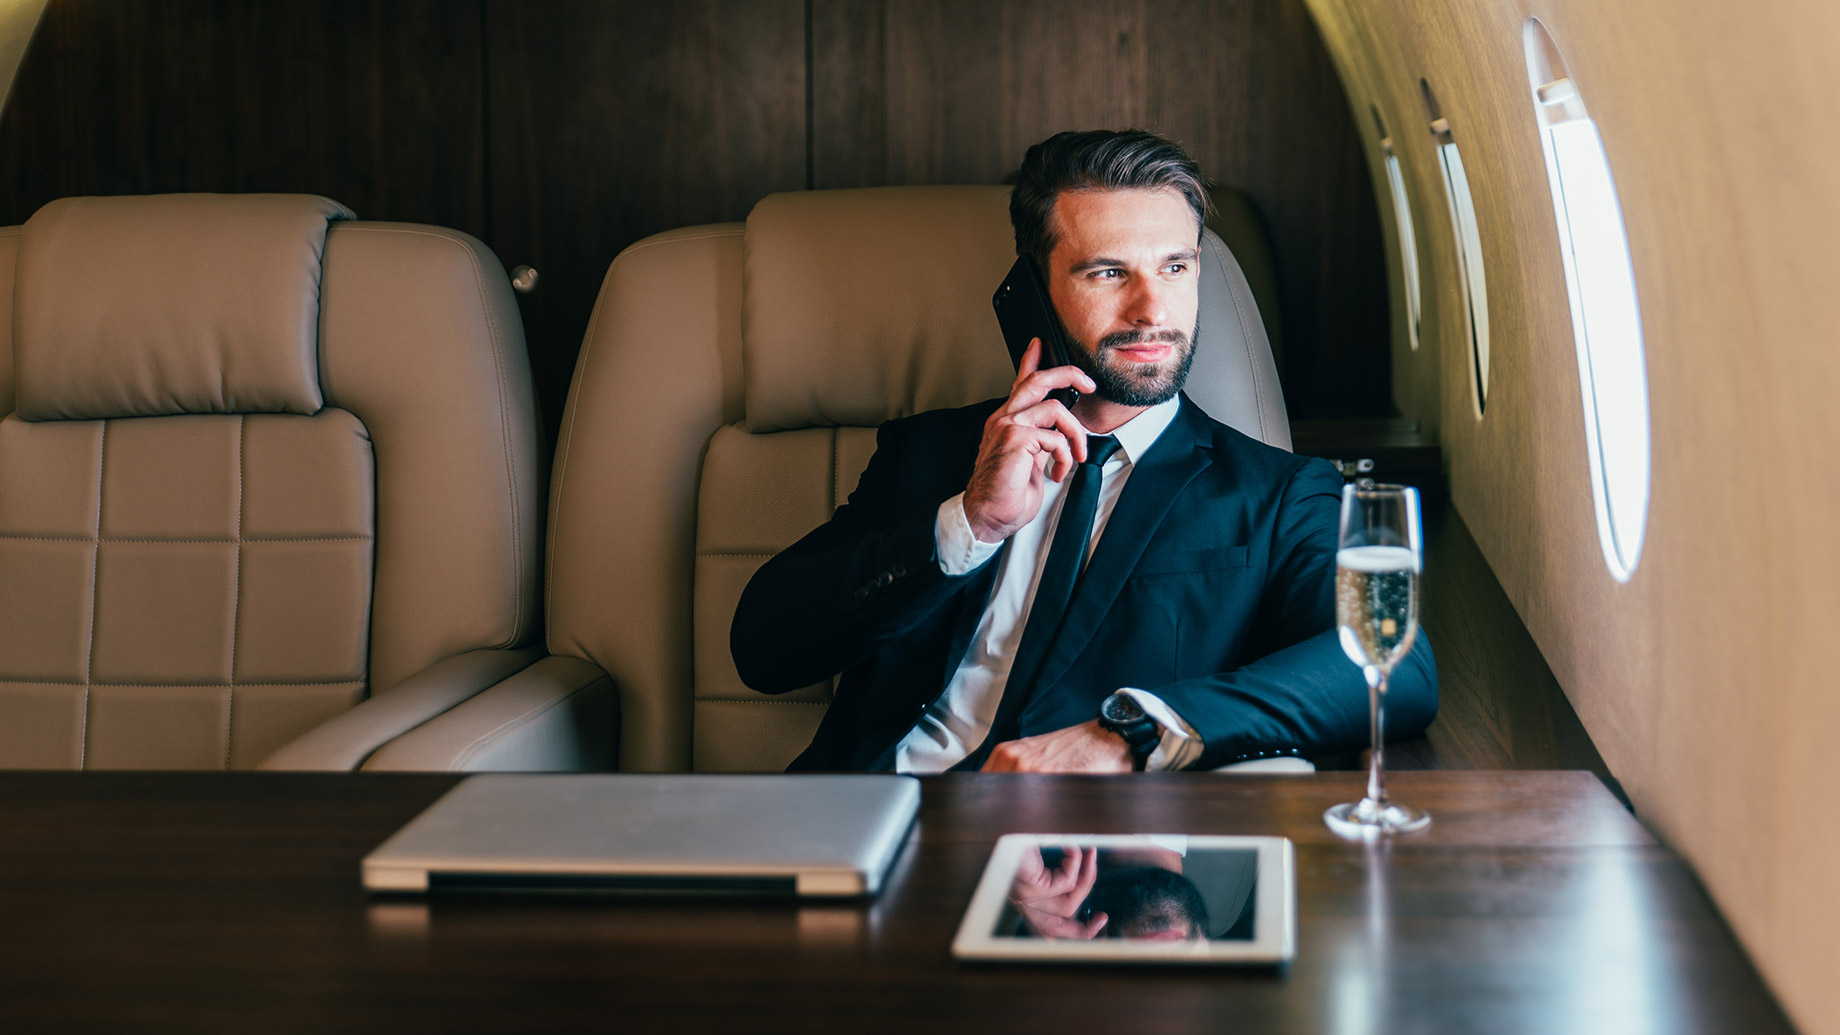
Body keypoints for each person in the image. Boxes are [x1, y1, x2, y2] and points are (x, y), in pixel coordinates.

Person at [730, 129, 1435, 773]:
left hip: (1079, 867)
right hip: (865, 833)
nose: (1152, 310)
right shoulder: (930, 451)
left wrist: (1131, 733)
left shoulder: (1281, 495)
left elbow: (1396, 669)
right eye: (1107, 273)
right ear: (1033, 292)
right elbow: (761, 648)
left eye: (1176, 267)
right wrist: (968, 524)